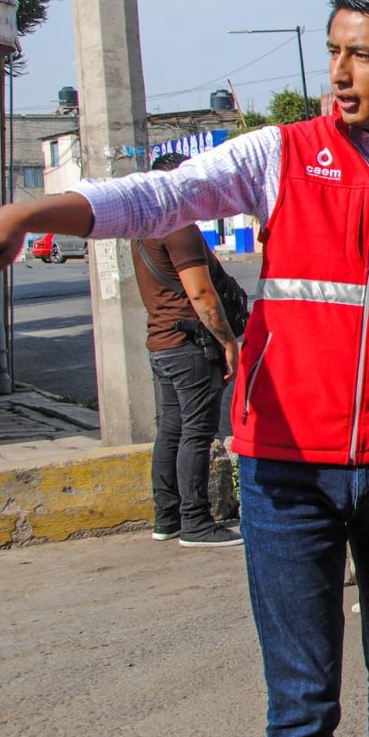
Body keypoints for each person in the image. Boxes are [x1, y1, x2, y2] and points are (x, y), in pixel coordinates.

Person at [0, 0, 369, 737]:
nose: (339, 71)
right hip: (283, 471)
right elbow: (160, 197)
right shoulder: (281, 154)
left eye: (362, 55)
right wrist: (35, 208)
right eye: (334, 50)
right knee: (303, 702)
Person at [133, 151, 244, 548]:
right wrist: (228, 341)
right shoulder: (179, 227)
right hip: (189, 346)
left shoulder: (146, 227)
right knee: (197, 433)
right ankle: (196, 523)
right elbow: (201, 293)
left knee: (172, 430)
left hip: (162, 344)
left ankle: (168, 519)